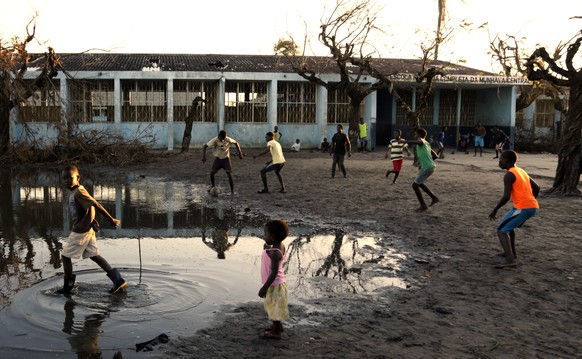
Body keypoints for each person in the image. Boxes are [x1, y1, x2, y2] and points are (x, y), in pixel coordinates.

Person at [58, 165, 125, 295]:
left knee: (65, 257)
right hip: (87, 229)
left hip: (80, 231)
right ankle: (118, 280)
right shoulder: (74, 191)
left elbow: (95, 204)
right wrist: (91, 220)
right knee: (94, 256)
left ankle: (68, 288)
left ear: (78, 178)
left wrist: (111, 219)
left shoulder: (79, 191)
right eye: (64, 178)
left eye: (69, 178)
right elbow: (87, 208)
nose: (66, 180)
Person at [488, 150, 540, 269]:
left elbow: (506, 196)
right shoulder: (521, 171)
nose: (499, 162)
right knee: (508, 228)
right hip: (529, 206)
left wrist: (495, 209)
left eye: (500, 160)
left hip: (524, 207)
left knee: (501, 231)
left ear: (507, 161)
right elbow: (537, 187)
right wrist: (531, 200)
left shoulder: (509, 175)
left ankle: (510, 261)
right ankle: (511, 253)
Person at [258, 219, 289, 339]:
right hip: (276, 284)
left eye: (265, 234)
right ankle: (277, 326)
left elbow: (274, 272)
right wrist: (267, 245)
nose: (264, 236)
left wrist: (264, 287)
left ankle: (276, 333)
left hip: (274, 285)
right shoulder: (279, 245)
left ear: (272, 236)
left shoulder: (275, 253)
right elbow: (269, 247)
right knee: (273, 307)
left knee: (274, 308)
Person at [405, 128, 440, 211]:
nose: (414, 136)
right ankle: (434, 198)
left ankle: (423, 205)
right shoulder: (427, 144)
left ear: (419, 136)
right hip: (429, 166)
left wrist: (405, 141)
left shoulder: (421, 141)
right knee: (419, 183)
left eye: (415, 134)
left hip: (428, 167)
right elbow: (435, 156)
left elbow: (419, 141)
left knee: (415, 185)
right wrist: (424, 163)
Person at [202, 130, 243, 195]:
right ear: (219, 136)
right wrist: (204, 157)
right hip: (218, 158)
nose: (222, 140)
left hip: (226, 159)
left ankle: (232, 191)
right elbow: (205, 146)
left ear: (225, 137)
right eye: (221, 139)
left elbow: (236, 143)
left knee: (229, 174)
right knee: (212, 173)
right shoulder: (215, 140)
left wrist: (240, 153)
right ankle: (213, 187)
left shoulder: (228, 139)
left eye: (223, 139)